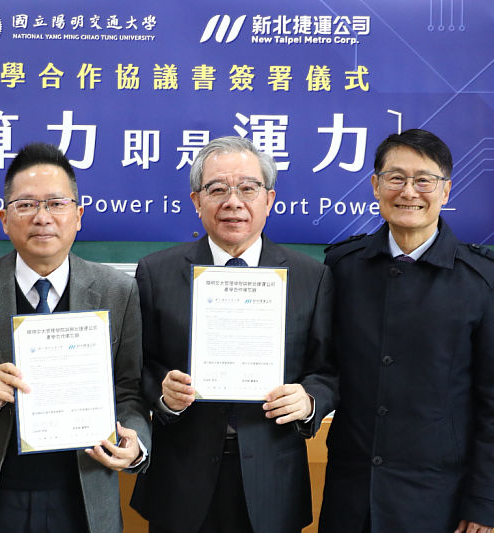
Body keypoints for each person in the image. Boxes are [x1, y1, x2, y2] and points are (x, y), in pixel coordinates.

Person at [0, 142, 151, 533]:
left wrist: (135, 443)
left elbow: (127, 389)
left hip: (81, 494)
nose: (42, 218)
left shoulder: (116, 291)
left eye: (56, 204)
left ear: (78, 215)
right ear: (4, 218)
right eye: (26, 205)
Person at [129, 136, 338, 533]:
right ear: (196, 200)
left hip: (273, 480)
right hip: (181, 479)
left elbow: (327, 369)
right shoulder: (156, 273)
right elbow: (136, 365)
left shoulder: (311, 276)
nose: (233, 201)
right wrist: (163, 393)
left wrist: (309, 400)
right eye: (217, 189)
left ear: (269, 198)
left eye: (247, 187)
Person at [318, 129, 494, 533]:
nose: (409, 191)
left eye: (424, 180)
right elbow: (323, 365)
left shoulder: (483, 279)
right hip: (350, 493)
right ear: (375, 185)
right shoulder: (342, 266)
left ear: (445, 190)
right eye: (396, 178)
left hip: (438, 498)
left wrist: (484, 500)